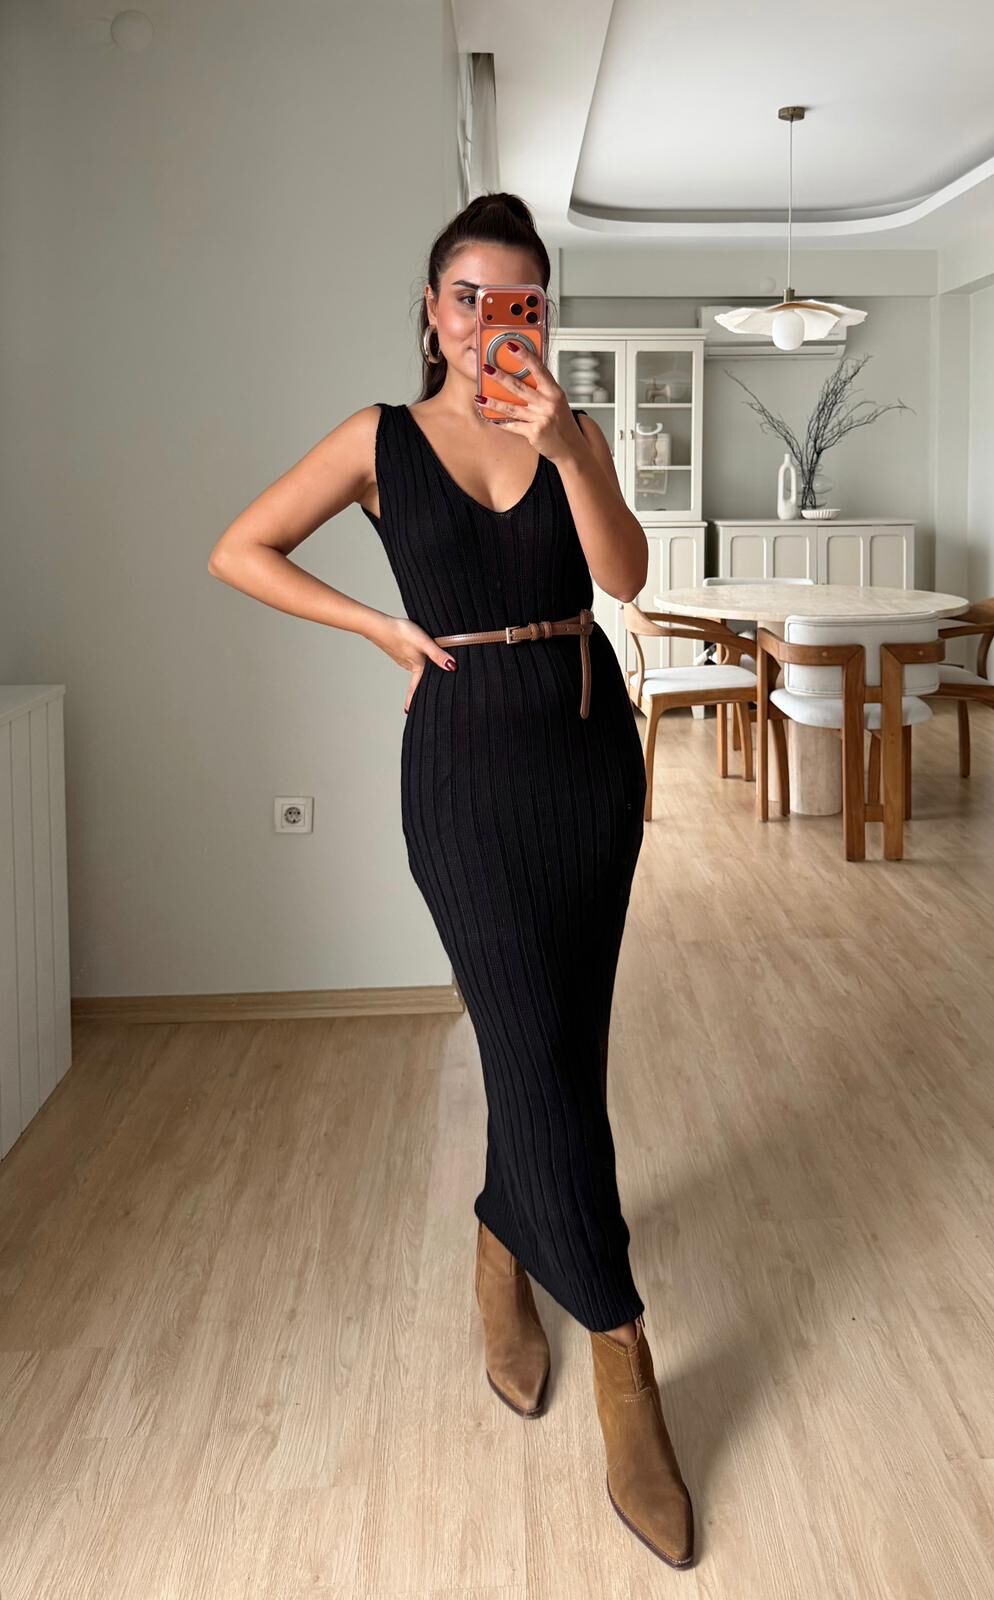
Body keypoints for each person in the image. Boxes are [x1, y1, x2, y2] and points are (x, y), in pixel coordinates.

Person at [207, 191, 693, 1570]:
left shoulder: (568, 431)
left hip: (591, 757)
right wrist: (376, 627)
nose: (490, 320)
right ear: (431, 312)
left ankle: (499, 1242)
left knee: (562, 1047)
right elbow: (239, 548)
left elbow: (624, 578)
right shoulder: (379, 440)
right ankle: (623, 1349)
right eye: (468, 296)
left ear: (543, 316)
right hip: (464, 770)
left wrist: (571, 452)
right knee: (530, 1047)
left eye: (516, 299)